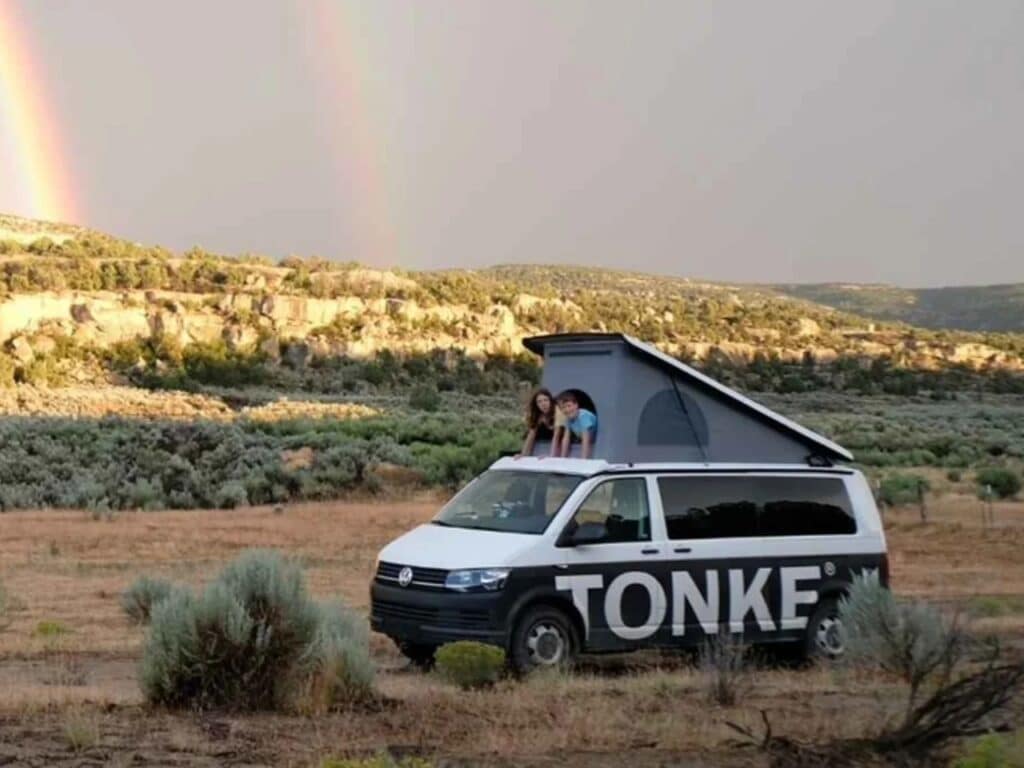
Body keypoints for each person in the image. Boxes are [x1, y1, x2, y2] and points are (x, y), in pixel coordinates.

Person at [556, 390, 598, 459]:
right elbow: (566, 438)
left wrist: (583, 460)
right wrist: (562, 458)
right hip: (586, 441)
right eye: (563, 407)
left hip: (596, 443)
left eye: (569, 406)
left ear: (576, 405)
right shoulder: (568, 419)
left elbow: (586, 439)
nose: (567, 409)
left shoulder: (583, 416)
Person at [518, 388, 557, 457]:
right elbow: (531, 436)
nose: (543, 404)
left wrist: (551, 455)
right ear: (536, 404)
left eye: (545, 400)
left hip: (556, 448)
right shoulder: (538, 417)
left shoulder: (557, 414)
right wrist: (523, 454)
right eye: (539, 402)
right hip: (540, 447)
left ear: (550, 401)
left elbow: (557, 437)